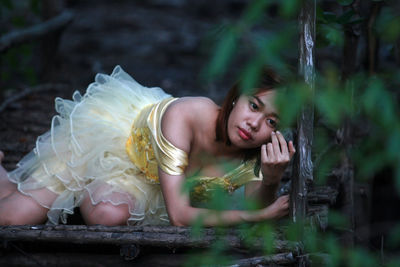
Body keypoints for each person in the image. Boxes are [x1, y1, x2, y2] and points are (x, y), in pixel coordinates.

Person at [0, 65, 295, 227]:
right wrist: (255, 216)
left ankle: (80, 196)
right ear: (236, 97)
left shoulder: (257, 152)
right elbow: (180, 216)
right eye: (253, 105)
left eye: (272, 122)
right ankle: (68, 181)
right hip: (113, 144)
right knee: (11, 218)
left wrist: (270, 179)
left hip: (156, 186)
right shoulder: (187, 114)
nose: (254, 124)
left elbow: (258, 202)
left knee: (108, 215)